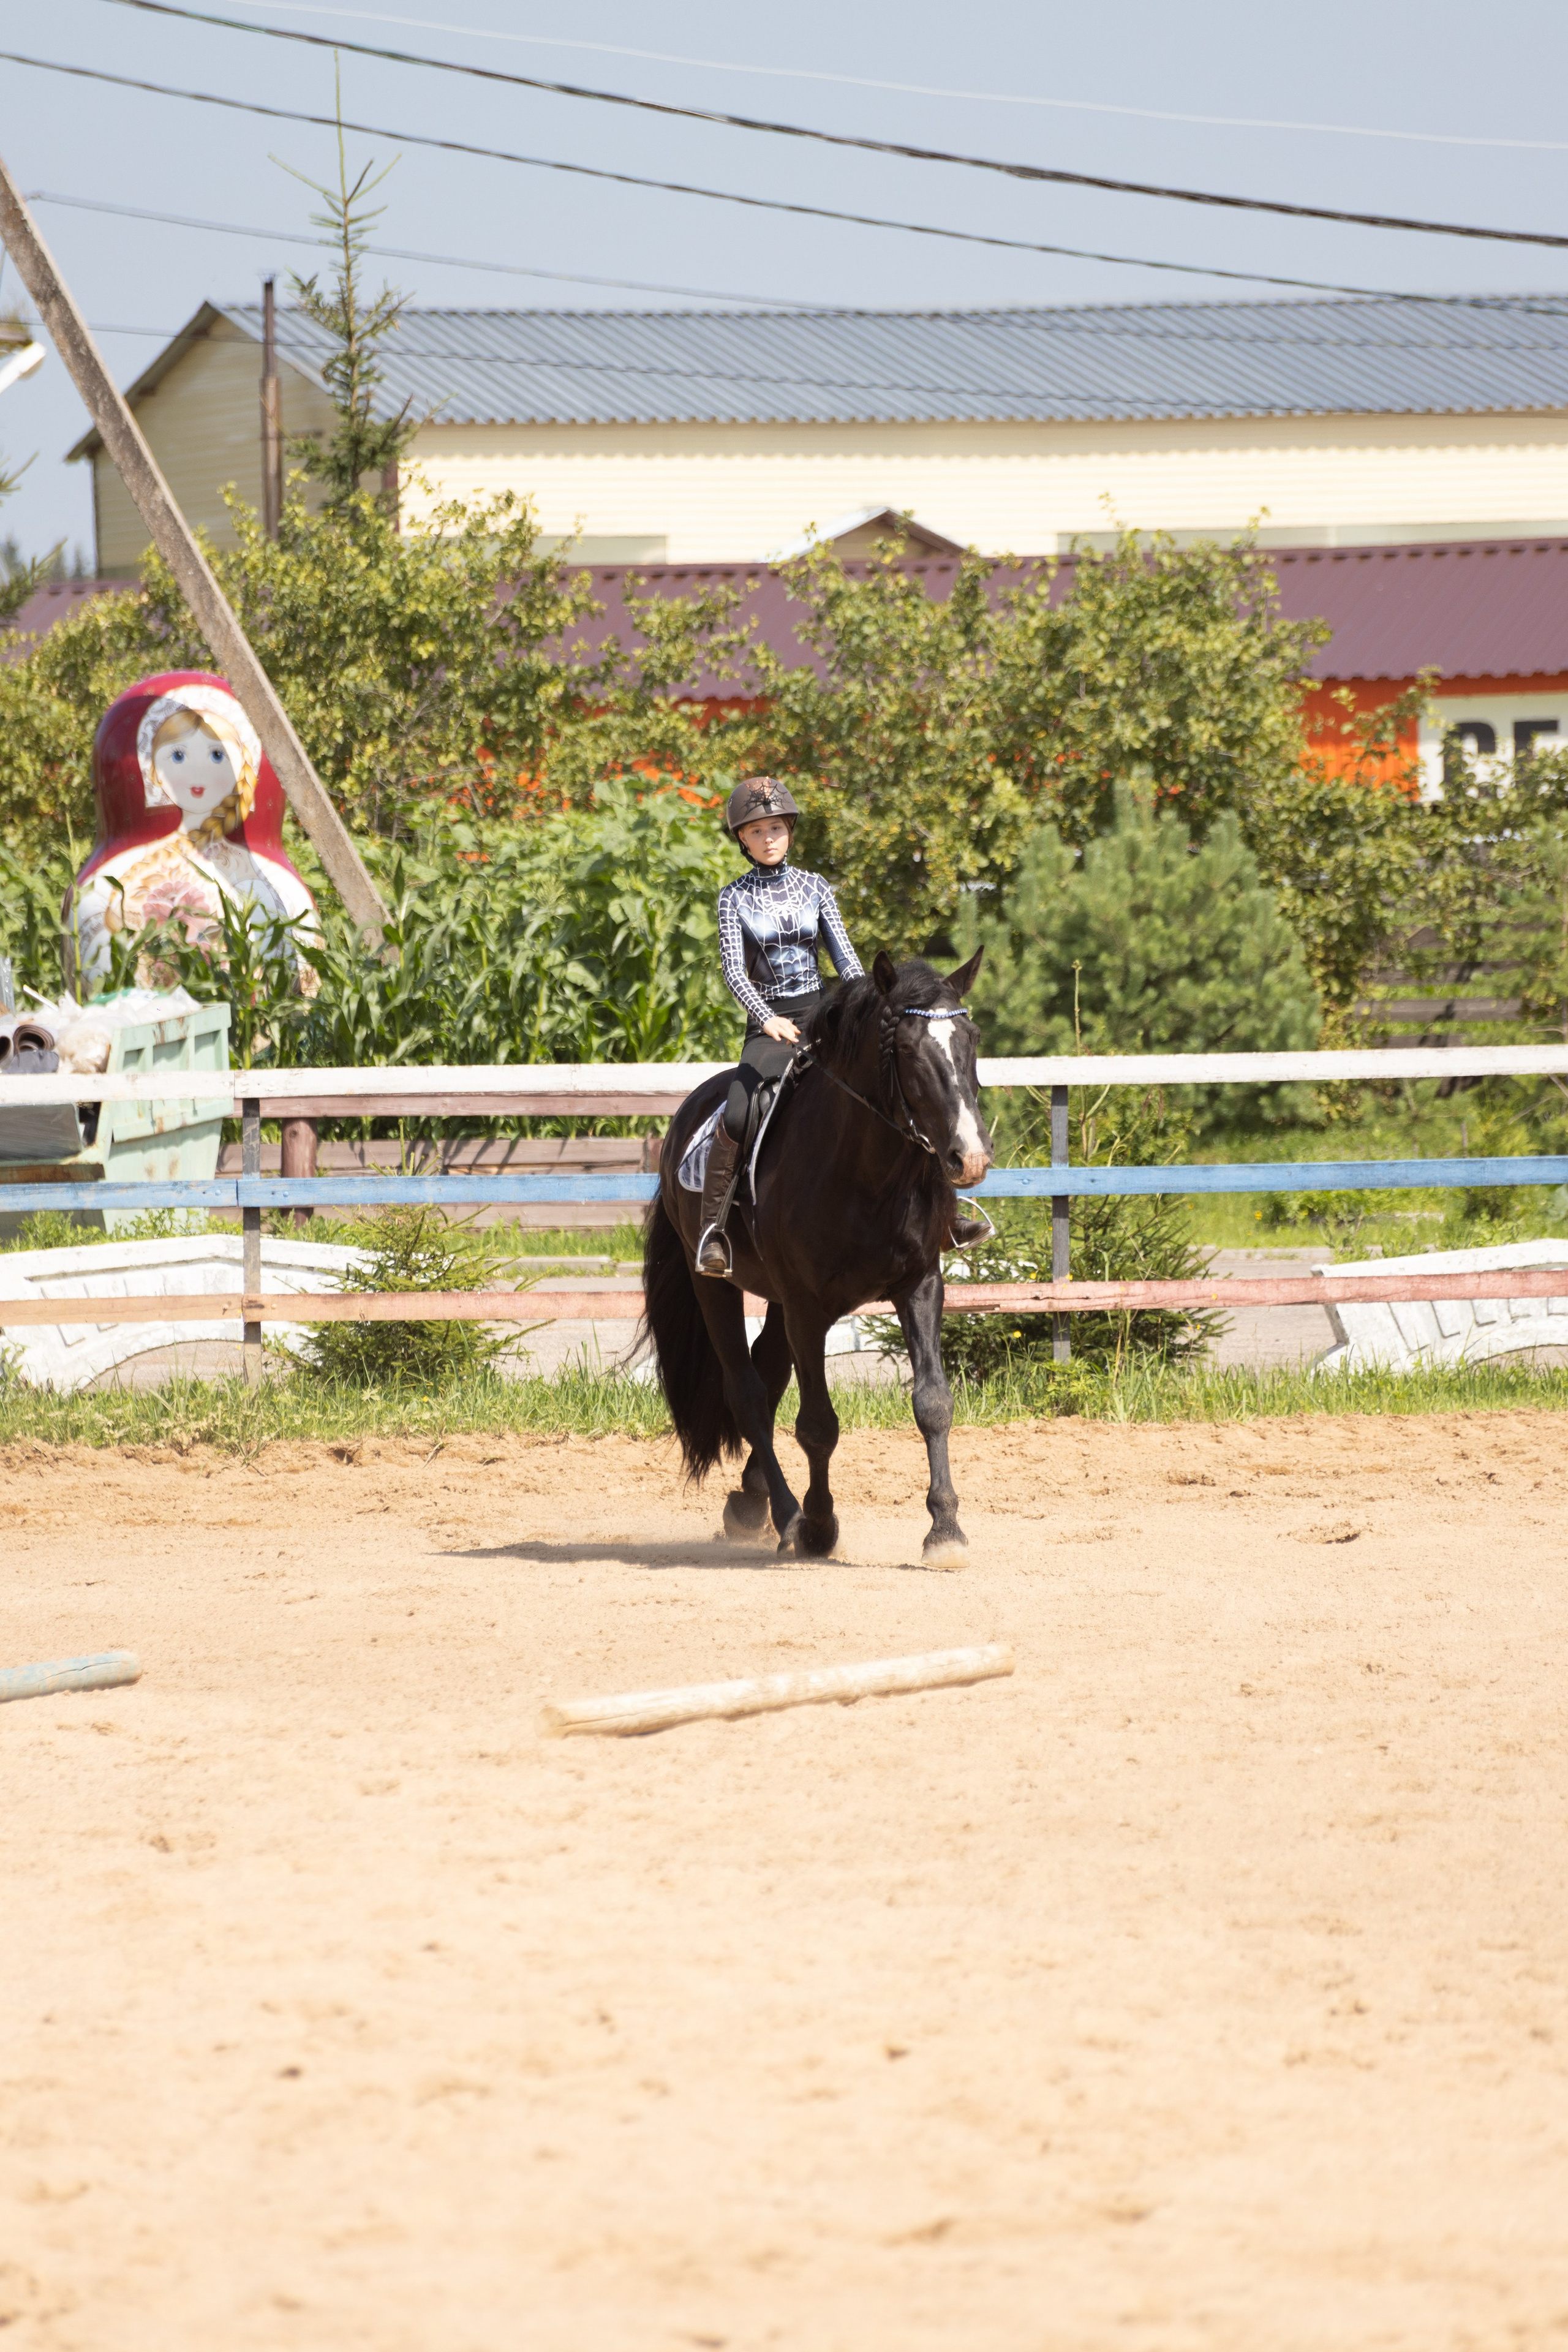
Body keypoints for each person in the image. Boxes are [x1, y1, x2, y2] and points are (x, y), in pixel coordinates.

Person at [695, 777, 863, 1276]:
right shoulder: (733, 898)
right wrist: (766, 1018)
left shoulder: (816, 887)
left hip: (823, 1013)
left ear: (789, 831)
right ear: (742, 840)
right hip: (769, 1021)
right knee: (742, 1110)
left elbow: (846, 958)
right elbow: (732, 969)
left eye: (776, 828)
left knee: (893, 1076)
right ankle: (714, 1230)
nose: (769, 838)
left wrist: (868, 1005)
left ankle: (944, 1215)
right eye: (757, 831)